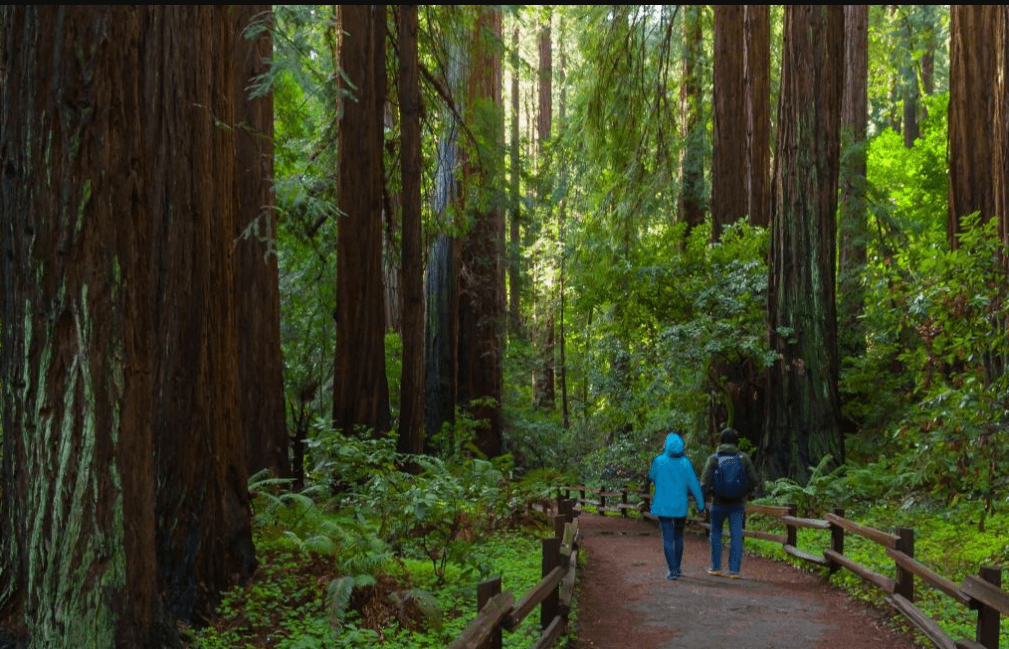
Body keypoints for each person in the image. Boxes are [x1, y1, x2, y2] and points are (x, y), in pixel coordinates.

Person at [700, 427, 760, 578]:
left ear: (721, 441)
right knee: (736, 535)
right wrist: (744, 493)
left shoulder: (713, 458)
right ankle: (734, 571)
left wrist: (706, 497)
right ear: (736, 441)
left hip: (718, 502)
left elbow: (704, 482)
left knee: (715, 533)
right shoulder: (743, 458)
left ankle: (716, 567)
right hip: (737, 504)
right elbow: (754, 480)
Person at [647, 431, 705, 580]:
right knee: (678, 536)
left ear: (666, 445)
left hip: (663, 506)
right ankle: (677, 568)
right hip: (680, 506)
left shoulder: (658, 461)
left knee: (667, 538)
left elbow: (651, 476)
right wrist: (701, 504)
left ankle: (672, 571)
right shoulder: (685, 462)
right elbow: (694, 484)